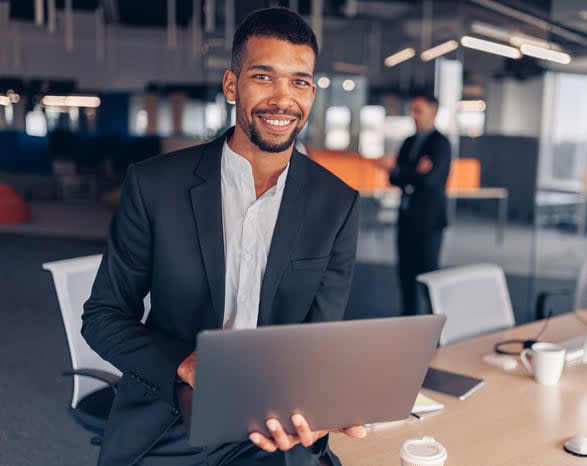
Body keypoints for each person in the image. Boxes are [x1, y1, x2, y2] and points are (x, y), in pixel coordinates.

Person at [82, 8, 365, 466]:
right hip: (174, 419)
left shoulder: (338, 203)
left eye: (299, 81)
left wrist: (316, 410)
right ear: (232, 85)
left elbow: (319, 339)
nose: (283, 99)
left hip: (278, 426)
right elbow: (103, 316)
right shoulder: (155, 185)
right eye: (263, 76)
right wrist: (186, 364)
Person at [388, 93, 452, 316]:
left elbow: (429, 180)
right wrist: (413, 170)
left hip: (429, 221)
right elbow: (393, 177)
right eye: (412, 110)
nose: (413, 115)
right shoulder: (408, 142)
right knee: (405, 276)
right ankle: (408, 324)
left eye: (419, 110)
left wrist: (406, 173)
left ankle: (436, 328)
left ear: (433, 112)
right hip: (406, 218)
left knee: (428, 277)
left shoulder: (441, 143)